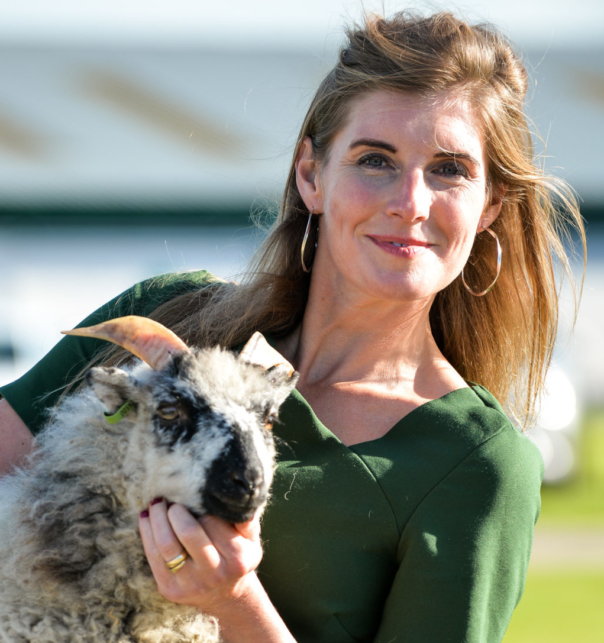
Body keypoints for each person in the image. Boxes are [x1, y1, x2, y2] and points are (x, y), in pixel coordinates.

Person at [0, 11, 585, 643]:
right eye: (375, 160)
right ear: (311, 175)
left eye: (449, 169)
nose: (410, 202)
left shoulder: (477, 463)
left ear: (490, 203)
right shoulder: (166, 322)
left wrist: (235, 602)